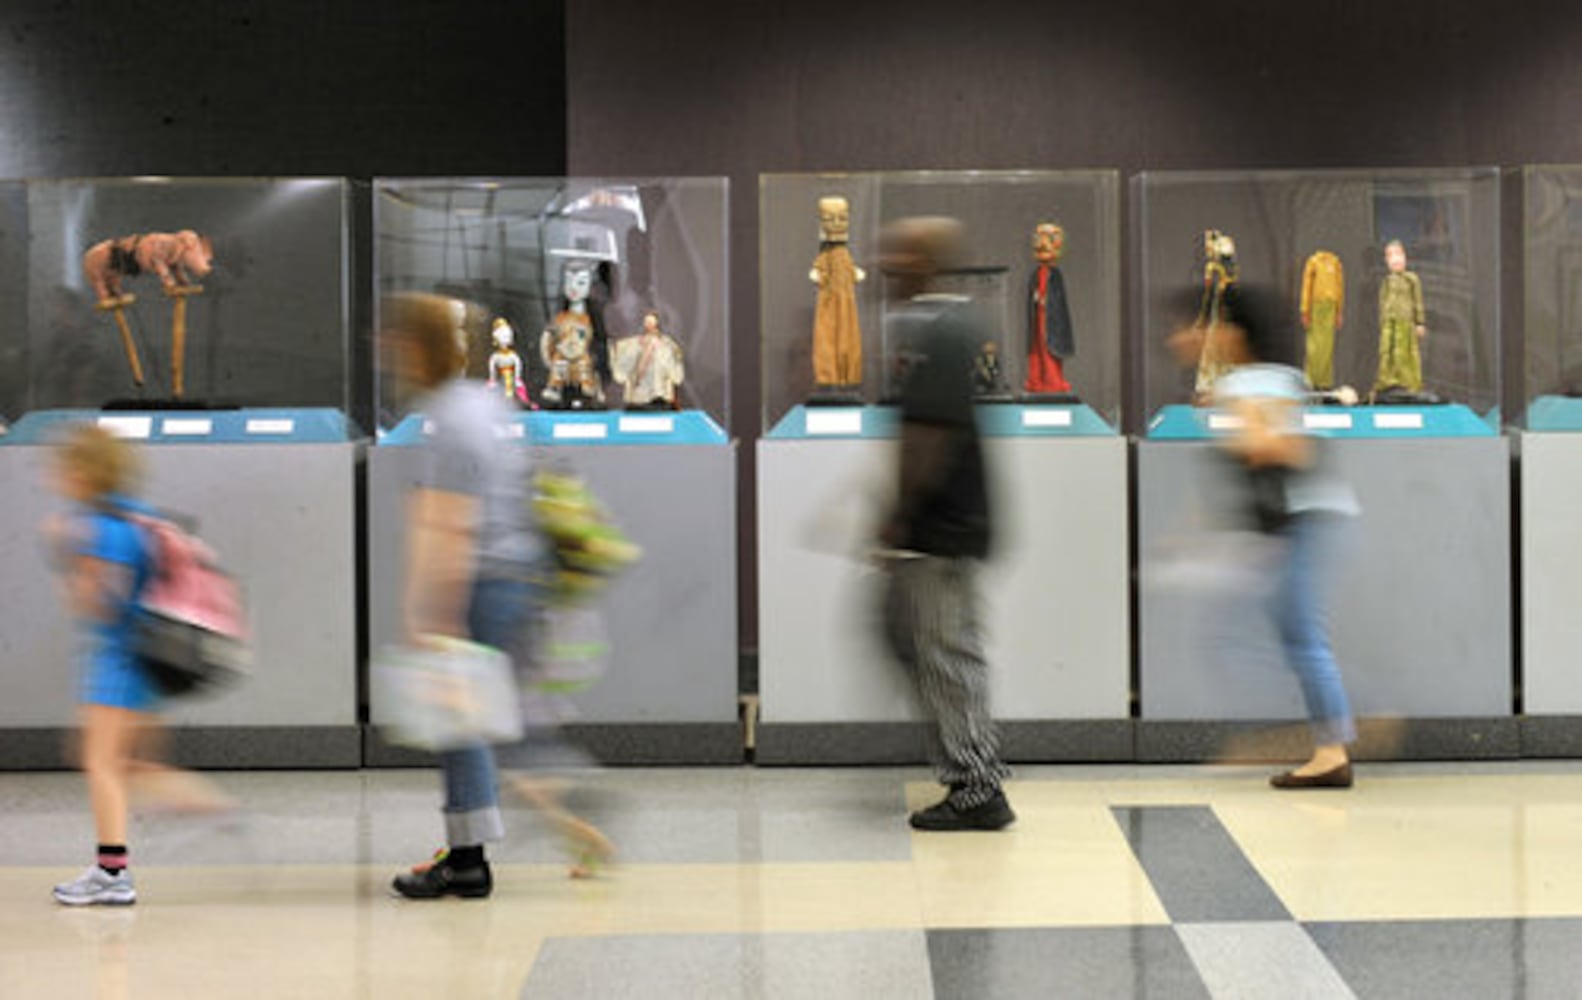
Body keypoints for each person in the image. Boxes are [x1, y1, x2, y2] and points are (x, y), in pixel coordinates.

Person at [1167, 285, 1360, 788]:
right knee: (1293, 635)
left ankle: (1332, 750)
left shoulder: (1254, 383)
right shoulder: (1266, 380)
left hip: (1305, 520)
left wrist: (1245, 430)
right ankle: (1328, 741)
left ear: (1235, 332)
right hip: (1299, 522)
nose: (1198, 336)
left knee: (1301, 637)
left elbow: (1284, 449)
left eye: (1210, 326)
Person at [386, 292, 543, 898]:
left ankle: (469, 858)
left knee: (460, 719)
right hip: (514, 568)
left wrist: (430, 612)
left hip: (480, 577)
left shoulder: (449, 418)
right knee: (480, 716)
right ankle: (473, 841)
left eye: (397, 341)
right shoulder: (485, 403)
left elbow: (449, 523)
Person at [43, 424, 233, 906]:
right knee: (128, 763)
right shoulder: (136, 516)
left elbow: (93, 605)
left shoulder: (97, 529)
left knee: (101, 764)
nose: (55, 476)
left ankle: (112, 873)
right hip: (149, 658)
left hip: (117, 663)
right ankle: (205, 805)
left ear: (84, 473)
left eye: (63, 467)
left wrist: (64, 554)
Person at [875, 216, 1014, 831]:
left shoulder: (942, 331)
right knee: (919, 643)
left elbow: (928, 438)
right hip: (944, 523)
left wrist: (898, 517)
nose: (886, 264)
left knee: (947, 654)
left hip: (941, 526)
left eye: (899, 253)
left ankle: (978, 785)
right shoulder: (940, 328)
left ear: (924, 261)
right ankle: (967, 767)